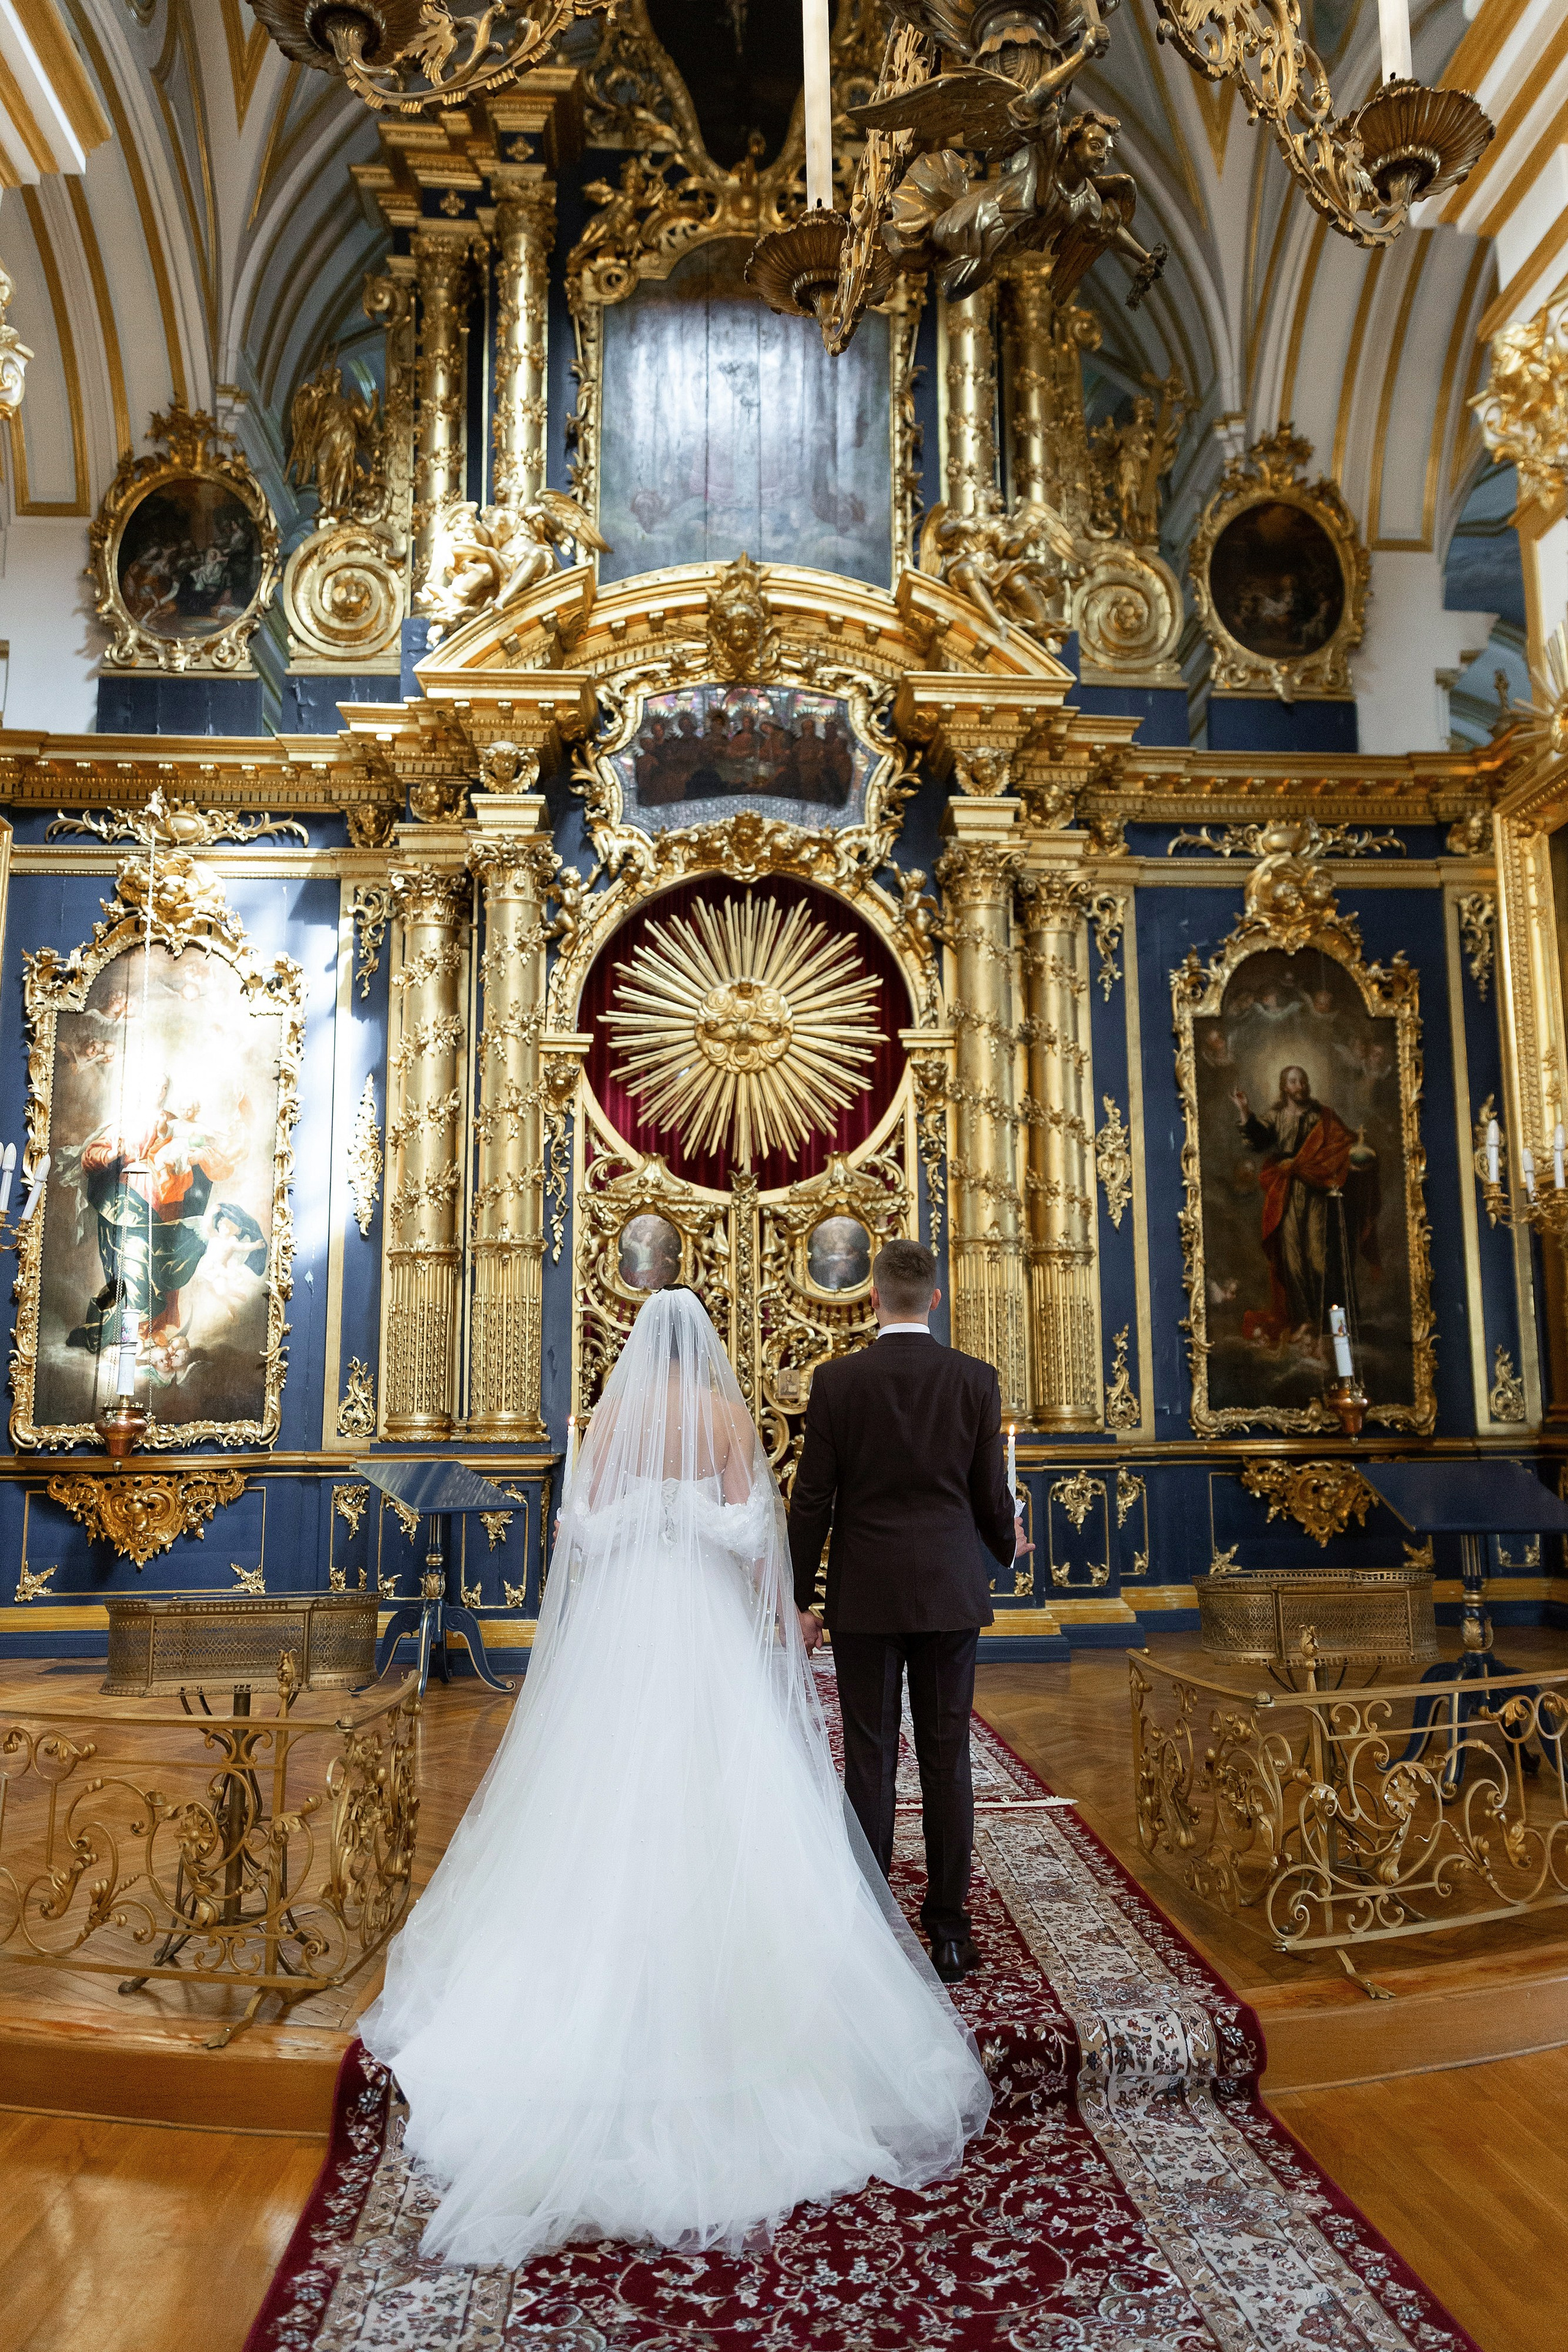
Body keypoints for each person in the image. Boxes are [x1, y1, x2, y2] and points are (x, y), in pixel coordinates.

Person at [361, 1284, 990, 2268]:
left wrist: (639, 1526)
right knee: (733, 1792)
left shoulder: (610, 1420)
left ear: (632, 1348)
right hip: (703, 1631)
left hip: (625, 1630)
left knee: (598, 1797)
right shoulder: (728, 1418)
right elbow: (752, 1536)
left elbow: (581, 1532)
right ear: (706, 1353)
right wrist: (780, 1609)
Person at [785, 1238, 1030, 1986]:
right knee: (946, 1755)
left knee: (869, 1756)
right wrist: (1005, 1542)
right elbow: (990, 1492)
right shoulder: (974, 1381)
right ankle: (949, 1933)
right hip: (950, 1591)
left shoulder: (836, 1382)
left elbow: (813, 1500)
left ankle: (870, 1924)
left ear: (871, 1300)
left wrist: (798, 1598)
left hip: (864, 1596)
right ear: (933, 1299)